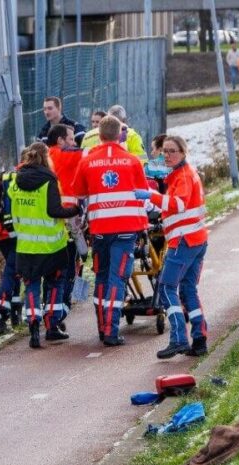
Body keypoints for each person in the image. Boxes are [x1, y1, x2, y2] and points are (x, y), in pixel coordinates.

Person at [72, 115, 148, 346]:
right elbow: (143, 193)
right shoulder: (132, 161)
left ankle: (102, 328)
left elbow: (79, 194)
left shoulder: (87, 161)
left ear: (99, 135)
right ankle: (112, 331)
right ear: (119, 135)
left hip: (100, 231)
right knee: (118, 278)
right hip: (126, 229)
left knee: (102, 277)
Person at [134, 136, 208, 359]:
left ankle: (178, 339)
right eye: (164, 151)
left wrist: (151, 196)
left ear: (183, 153)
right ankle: (200, 338)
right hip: (195, 240)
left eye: (172, 151)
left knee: (166, 288)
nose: (167, 155)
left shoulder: (183, 176)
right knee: (187, 290)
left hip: (184, 242)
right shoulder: (181, 173)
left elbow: (178, 204)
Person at [9, 142, 80, 348]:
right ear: (46, 157)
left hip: (25, 246)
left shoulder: (15, 182)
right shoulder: (49, 181)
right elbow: (54, 211)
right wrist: (75, 210)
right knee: (54, 284)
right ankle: (52, 325)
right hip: (51, 246)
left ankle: (33, 325)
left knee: (31, 285)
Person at [46, 124, 86, 327]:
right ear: (60, 140)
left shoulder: (44, 158)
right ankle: (60, 310)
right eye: (71, 139)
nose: (74, 143)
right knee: (68, 267)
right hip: (68, 219)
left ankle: (48, 311)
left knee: (49, 272)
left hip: (43, 226)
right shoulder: (66, 156)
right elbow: (90, 155)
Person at [0, 166, 22, 334]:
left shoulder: (4, 178)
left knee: (14, 271)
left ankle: (16, 311)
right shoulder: (20, 179)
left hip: (0, 233)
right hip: (14, 233)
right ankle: (0, 314)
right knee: (11, 272)